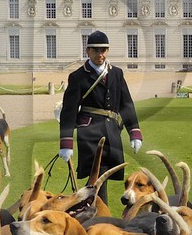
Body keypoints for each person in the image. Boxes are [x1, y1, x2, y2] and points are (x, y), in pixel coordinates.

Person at [58, 30, 143, 199]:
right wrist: (66, 143)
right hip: (89, 132)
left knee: (105, 174)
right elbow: (69, 111)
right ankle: (98, 210)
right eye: (96, 50)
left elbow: (126, 104)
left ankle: (92, 207)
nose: (100, 54)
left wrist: (134, 132)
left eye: (103, 50)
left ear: (108, 51)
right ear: (88, 51)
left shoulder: (116, 73)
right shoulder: (77, 77)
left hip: (112, 131)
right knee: (96, 175)